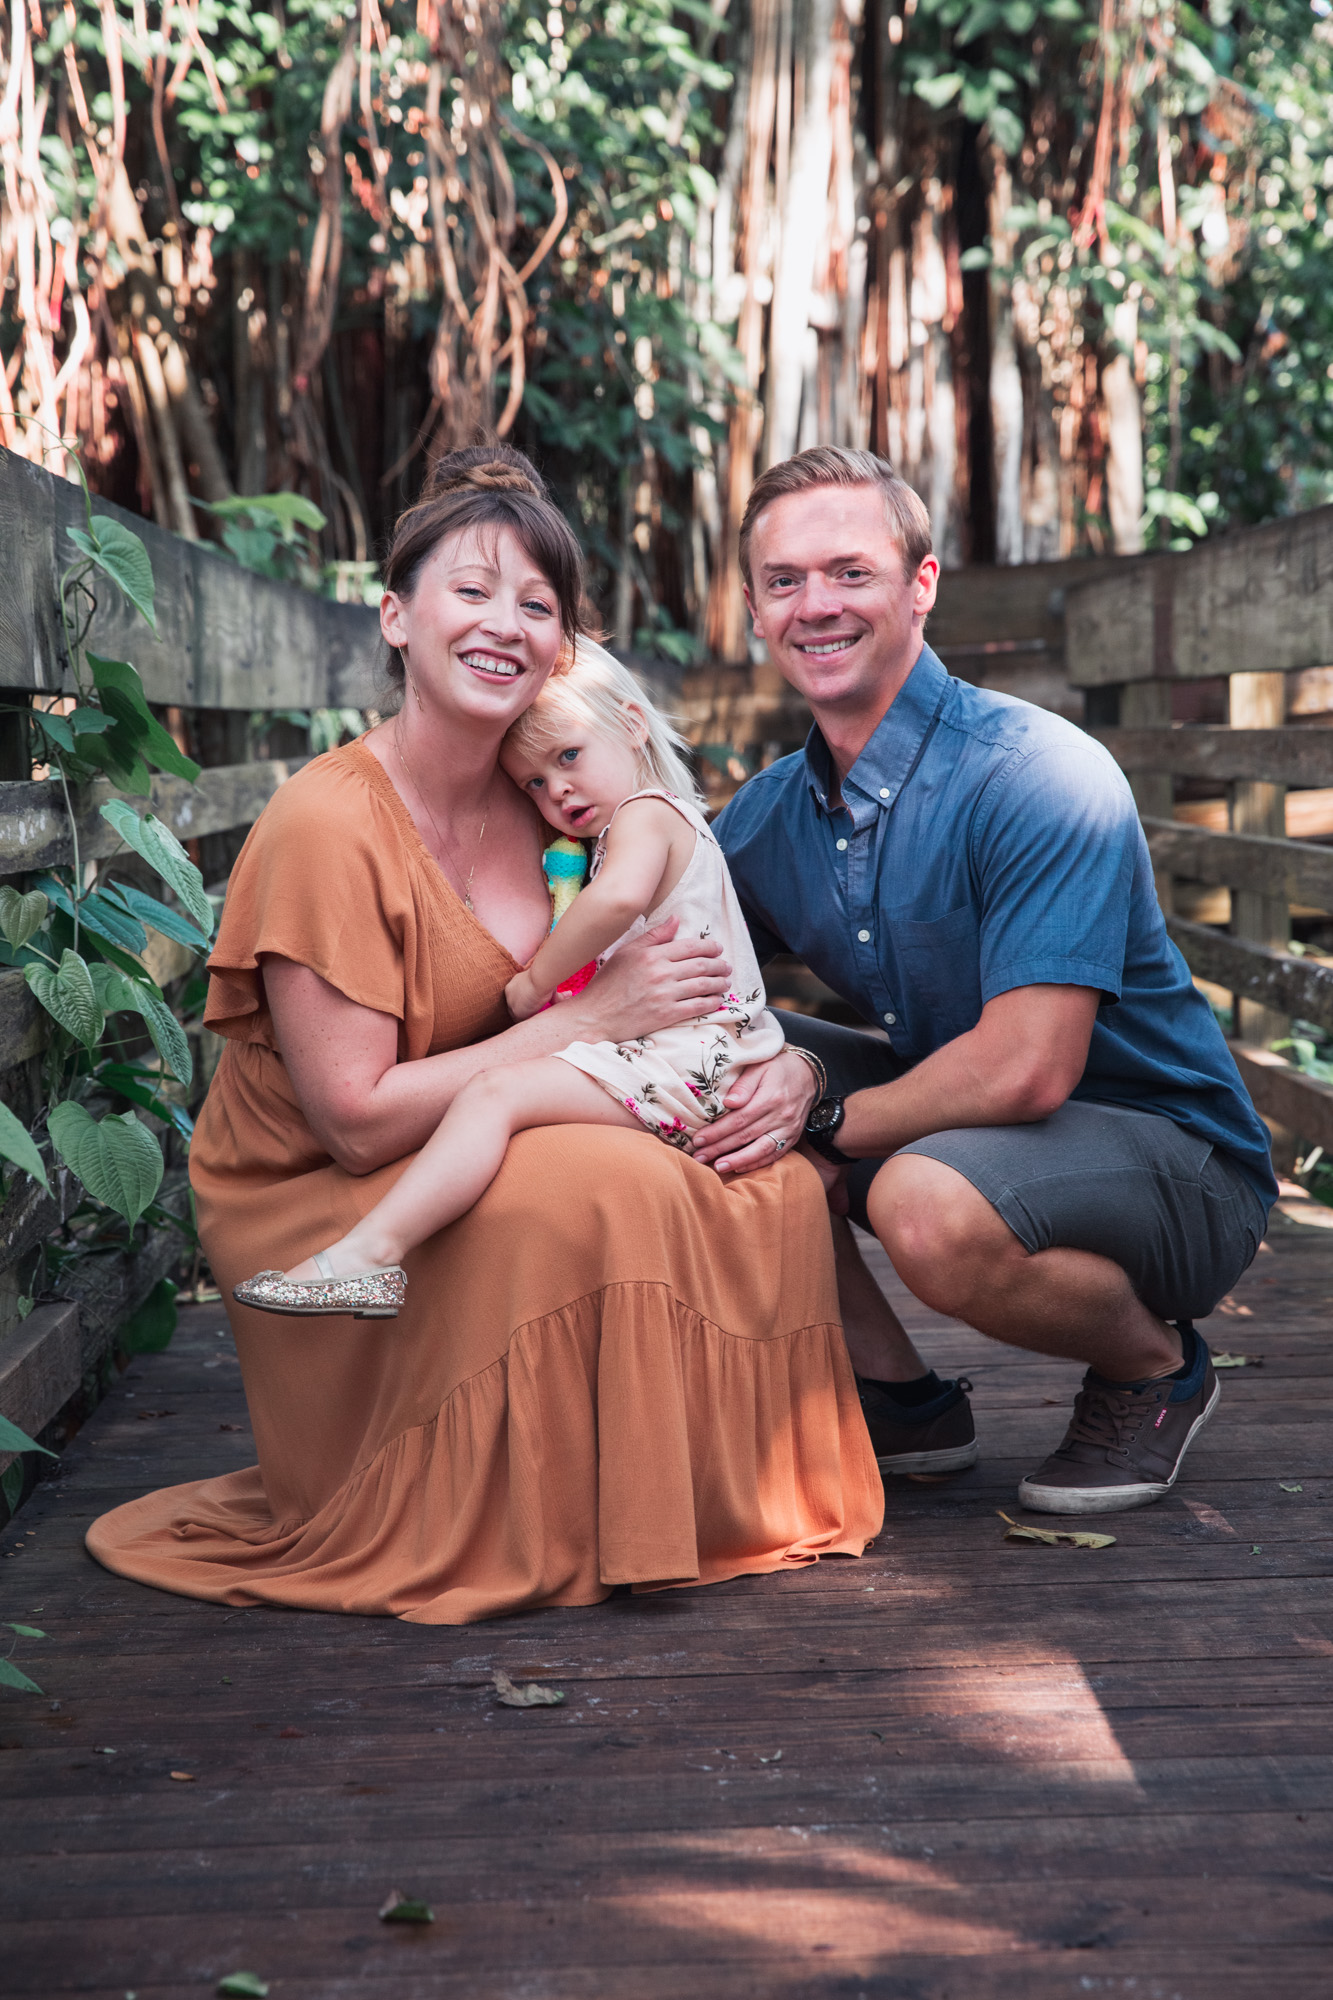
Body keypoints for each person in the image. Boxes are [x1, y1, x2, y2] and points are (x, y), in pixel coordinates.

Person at [86, 445, 882, 1623]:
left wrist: (797, 1065)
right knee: (613, 1188)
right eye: (470, 590)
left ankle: (745, 1470)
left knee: (761, 1174)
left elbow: (707, 961)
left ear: (567, 649)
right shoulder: (328, 825)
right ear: (396, 616)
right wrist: (593, 1018)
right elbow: (354, 1123)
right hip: (328, 1186)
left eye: (537, 604)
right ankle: (564, 1508)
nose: (505, 622)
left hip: (481, 1119)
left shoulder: (556, 798)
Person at [707, 445, 1277, 1516]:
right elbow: (651, 952)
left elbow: (1026, 1068)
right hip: (969, 1129)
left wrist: (820, 1116)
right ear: (752, 608)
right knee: (705, 1078)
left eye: (850, 572)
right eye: (784, 580)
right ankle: (901, 1399)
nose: (815, 605)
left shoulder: (1036, 774)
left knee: (921, 1203)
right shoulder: (773, 813)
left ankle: (1153, 1370)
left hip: (1178, 1166)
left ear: (920, 584)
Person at [230, 641, 792, 1317]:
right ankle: (369, 1253)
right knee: (505, 1101)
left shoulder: (647, 813)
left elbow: (614, 901)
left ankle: (371, 1253)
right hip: (691, 1055)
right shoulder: (635, 825)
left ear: (632, 725)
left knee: (494, 1094)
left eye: (569, 757)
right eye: (533, 783)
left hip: (688, 1059)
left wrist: (532, 984)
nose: (556, 790)